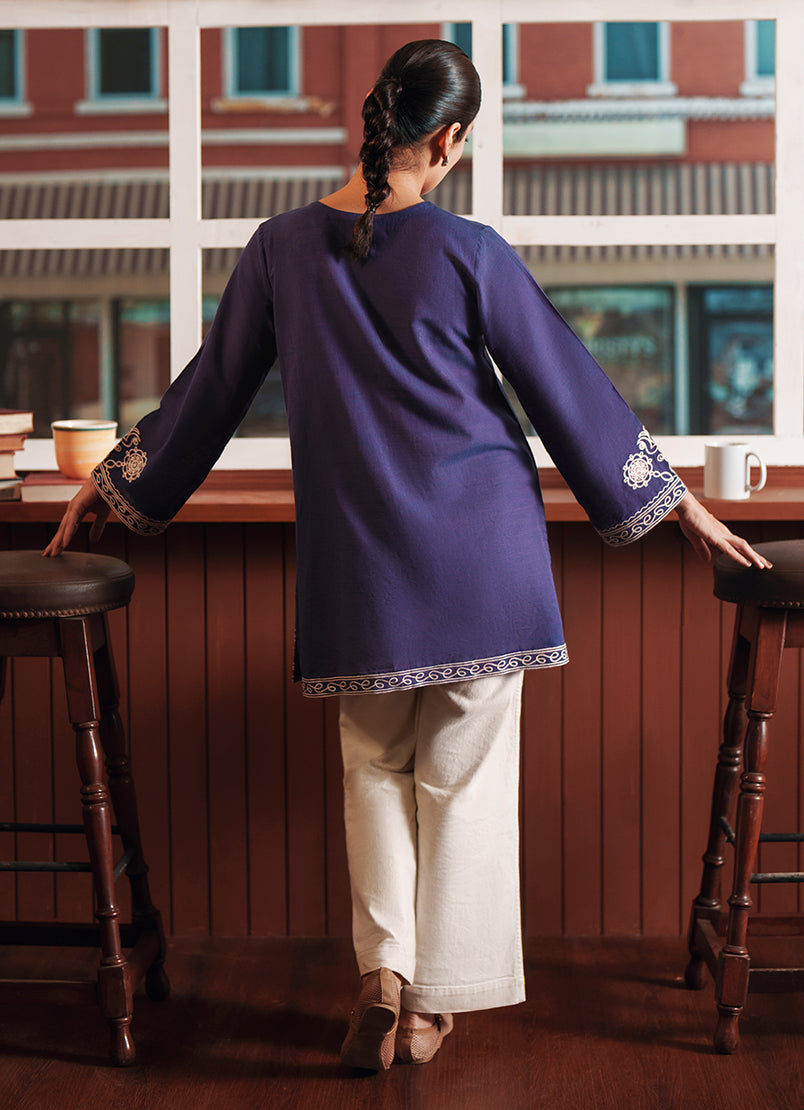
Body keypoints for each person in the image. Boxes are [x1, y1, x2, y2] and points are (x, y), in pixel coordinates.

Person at [44, 39, 770, 1073]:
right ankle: (432, 1008)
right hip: (485, 562)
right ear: (449, 138)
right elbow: (568, 387)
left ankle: (381, 975)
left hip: (360, 572)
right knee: (461, 786)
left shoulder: (279, 249)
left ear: (378, 116)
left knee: (373, 769)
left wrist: (117, 479)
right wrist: (680, 504)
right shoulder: (470, 250)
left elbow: (207, 395)